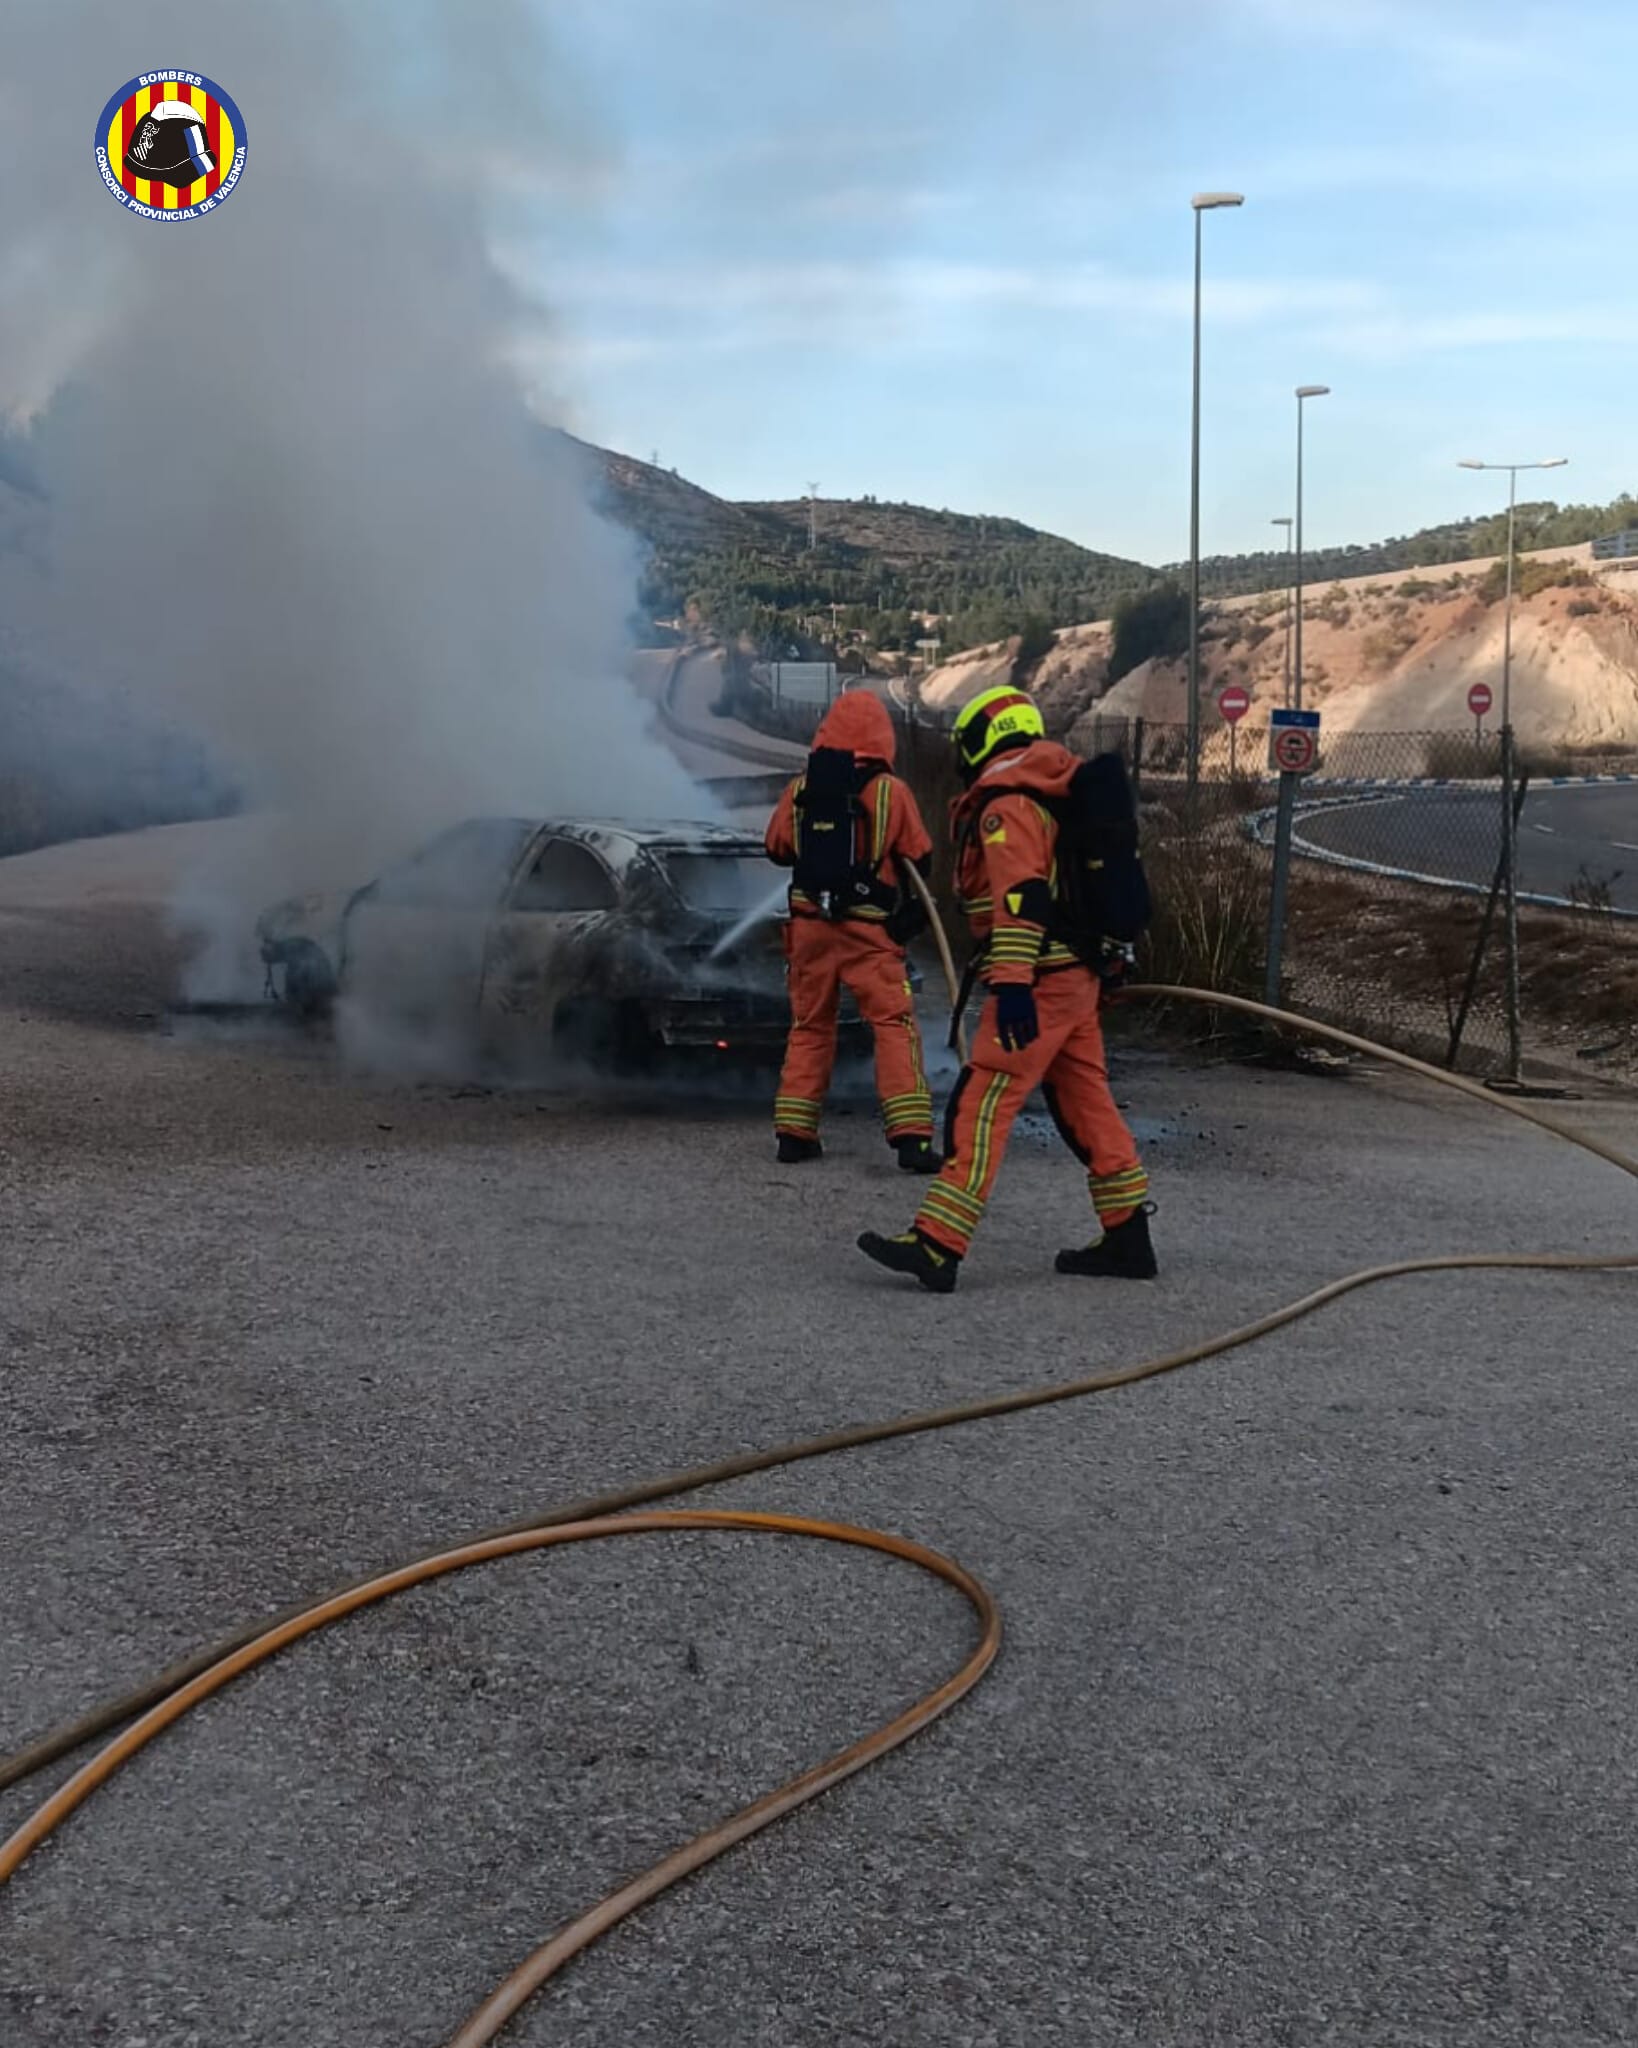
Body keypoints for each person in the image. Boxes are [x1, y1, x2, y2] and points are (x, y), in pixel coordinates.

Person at [858, 685, 1156, 1293]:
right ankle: (1128, 1234)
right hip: (1075, 977)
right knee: (1086, 1106)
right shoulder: (1056, 791)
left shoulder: (1008, 805)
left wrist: (1015, 987)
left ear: (981, 739)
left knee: (983, 1100)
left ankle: (939, 1243)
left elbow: (1022, 900)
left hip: (1039, 982)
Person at [765, 690, 941, 1172]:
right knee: (892, 1025)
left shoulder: (801, 789)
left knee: (810, 1026)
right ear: (883, 738)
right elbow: (921, 858)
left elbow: (776, 847)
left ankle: (794, 1134)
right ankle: (911, 1139)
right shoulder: (892, 792)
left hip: (809, 931)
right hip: (869, 934)